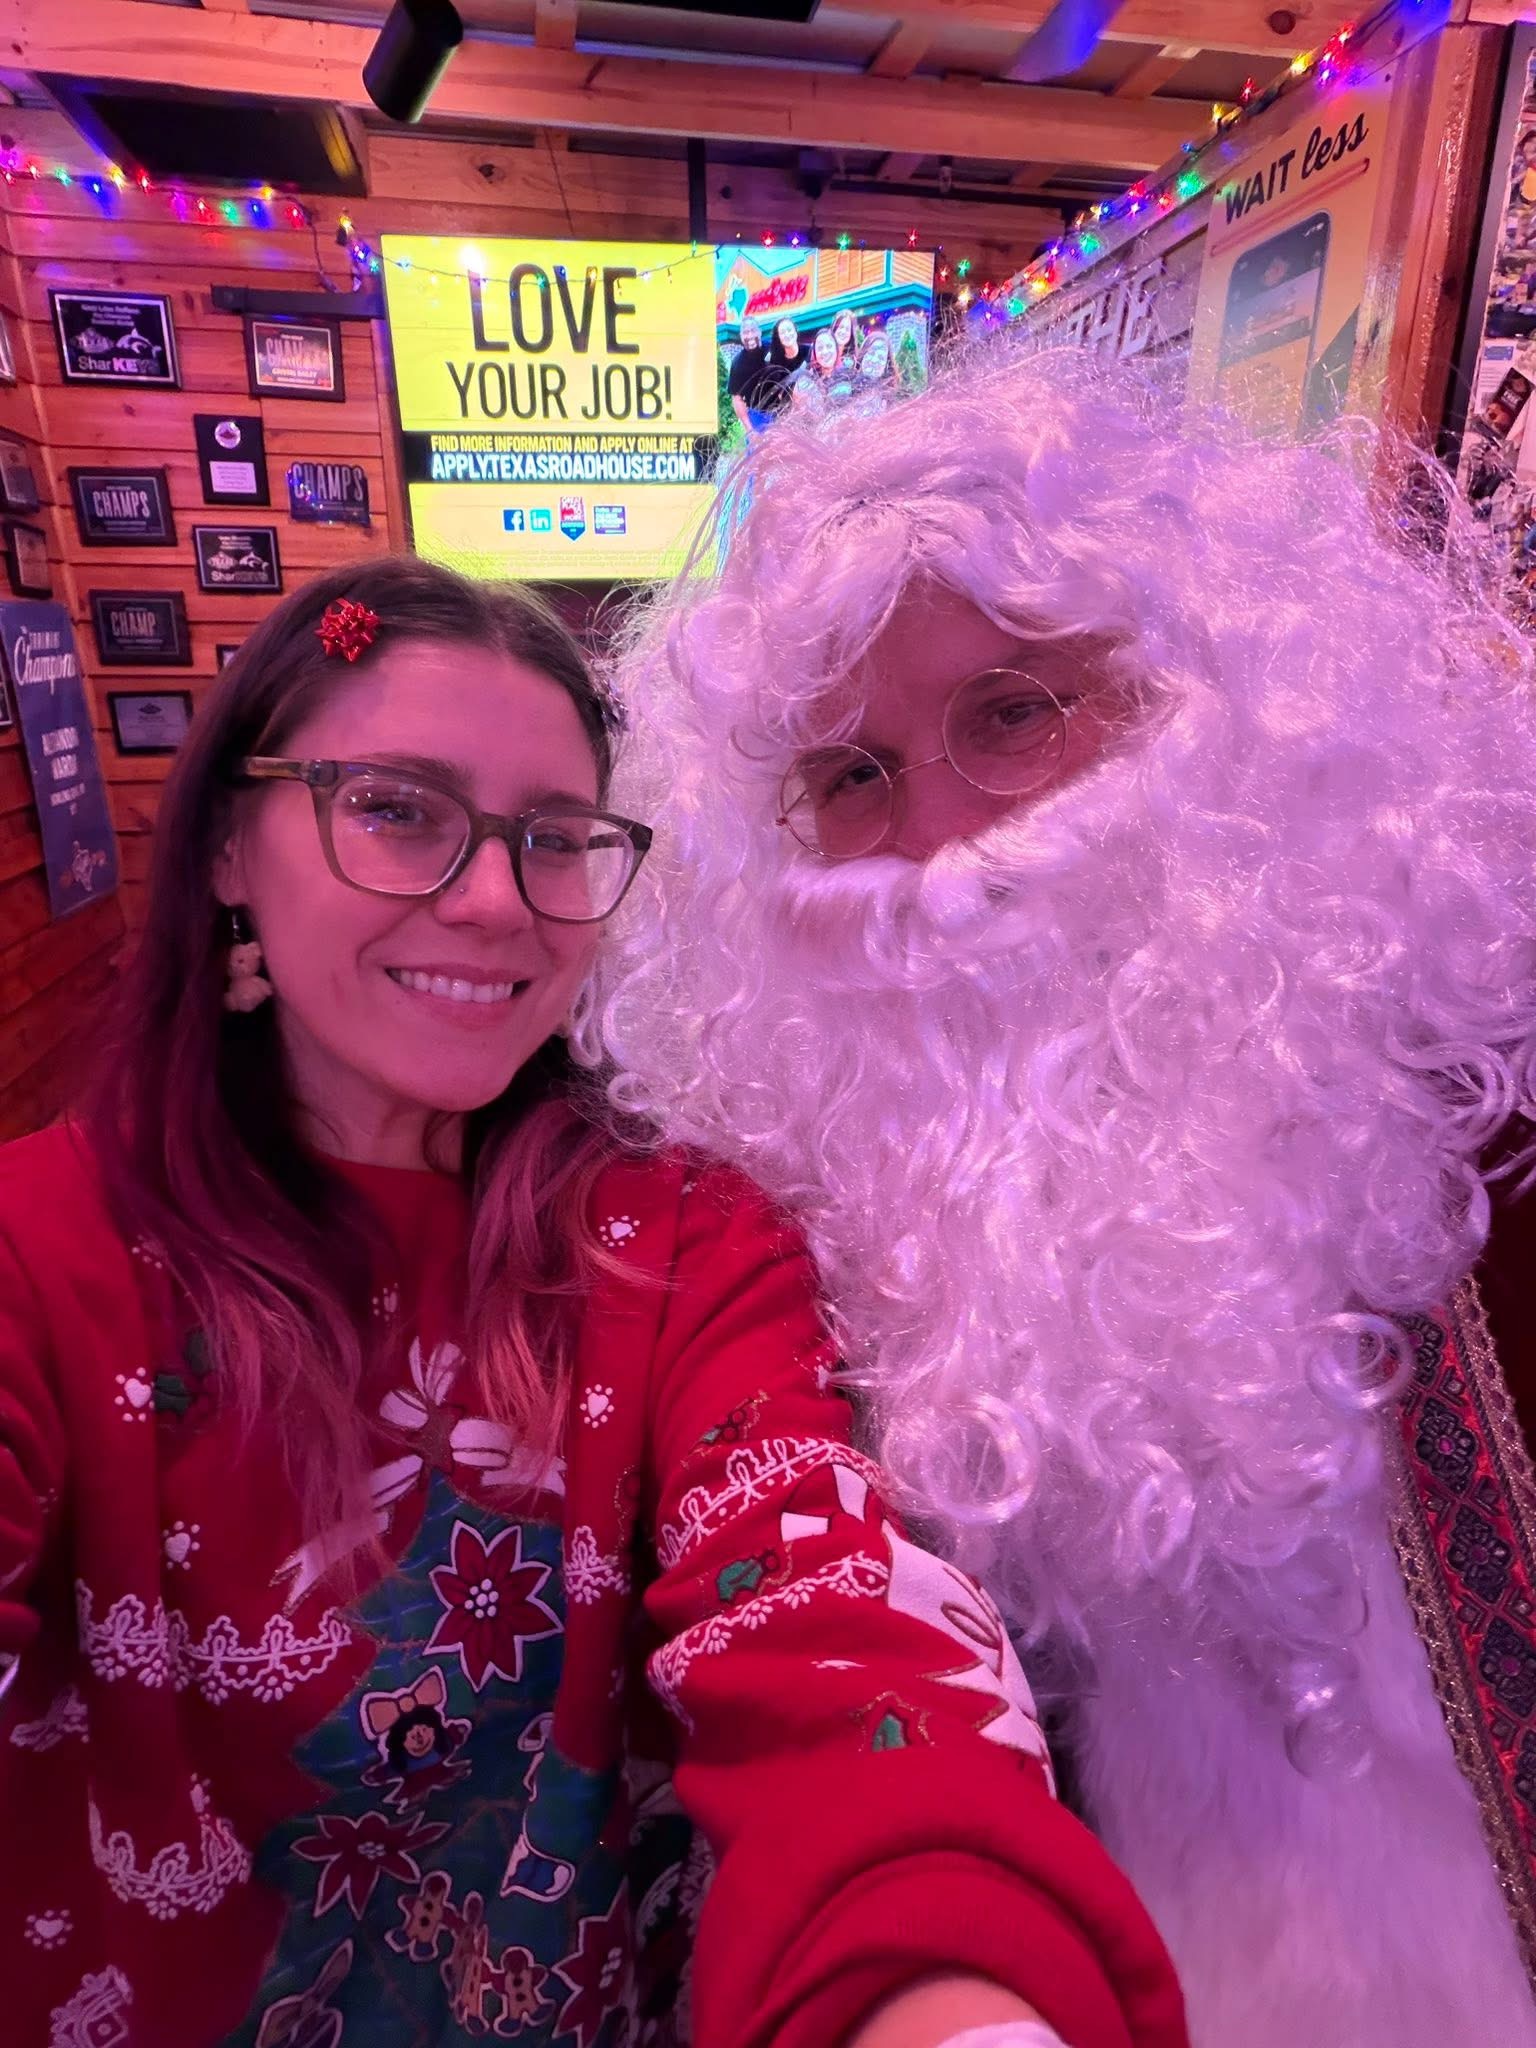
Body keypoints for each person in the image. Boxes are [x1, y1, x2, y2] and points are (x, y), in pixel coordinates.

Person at [0, 552, 1185, 2048]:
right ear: (231, 845)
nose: (496, 900)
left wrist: (951, 2006)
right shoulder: (42, 1255)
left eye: (556, 838)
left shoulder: (677, 1245)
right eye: (397, 810)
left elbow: (829, 1621)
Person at [592, 347, 1536, 2048]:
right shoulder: (809, 1211)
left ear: (1198, 697)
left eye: (1013, 712)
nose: (943, 840)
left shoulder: (1473, 1103)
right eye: (853, 776)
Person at [725, 314, 780, 436]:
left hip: (782, 412)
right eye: (745, 332)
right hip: (757, 417)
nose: (750, 336)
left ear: (759, 332)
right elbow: (737, 399)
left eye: (753, 330)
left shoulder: (774, 348)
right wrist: (750, 430)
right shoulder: (737, 363)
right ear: (741, 336)